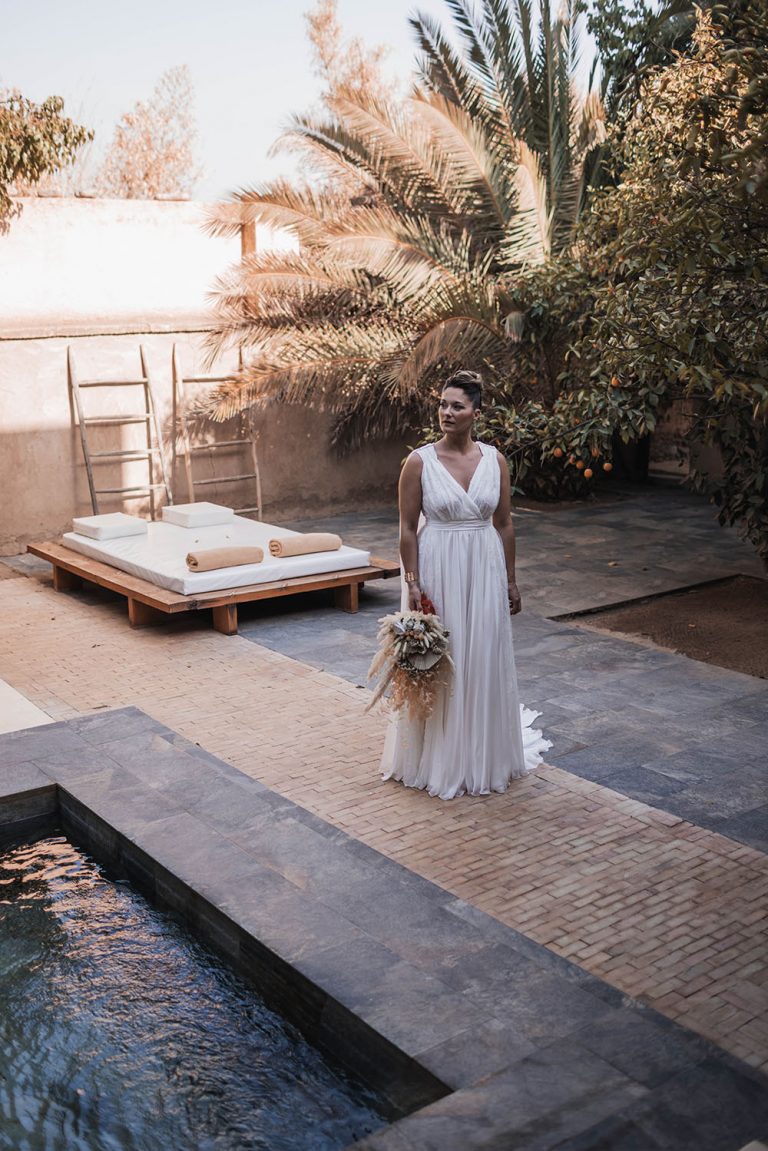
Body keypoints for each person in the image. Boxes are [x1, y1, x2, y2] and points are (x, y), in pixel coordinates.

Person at [380, 369, 551, 799]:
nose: (446, 412)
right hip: (438, 563)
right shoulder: (418, 462)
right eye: (442, 404)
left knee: (483, 654)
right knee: (446, 658)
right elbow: (405, 527)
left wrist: (511, 581)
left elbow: (506, 523)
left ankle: (483, 753)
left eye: (457, 405)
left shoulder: (495, 460)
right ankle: (441, 757)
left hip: (485, 567)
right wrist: (413, 583)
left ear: (476, 412)